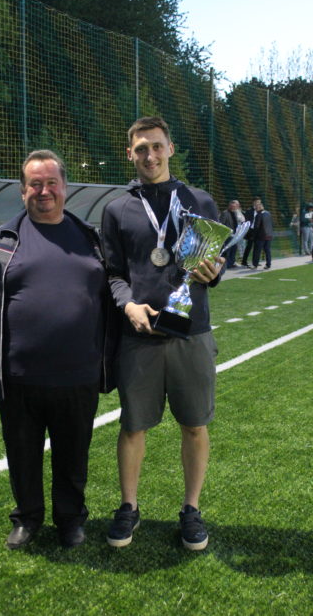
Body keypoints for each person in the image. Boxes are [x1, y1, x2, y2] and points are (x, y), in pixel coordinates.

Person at [0, 150, 116, 550]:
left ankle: (70, 520)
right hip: (17, 376)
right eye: (35, 184)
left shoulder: (91, 239)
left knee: (73, 456)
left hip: (79, 373)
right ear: (23, 190)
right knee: (22, 453)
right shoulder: (3, 240)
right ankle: (27, 518)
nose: (44, 191)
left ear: (65, 188)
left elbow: (115, 291)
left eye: (51, 183)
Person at [101, 116, 225, 551]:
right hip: (139, 336)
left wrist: (214, 273)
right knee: (133, 426)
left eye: (156, 146)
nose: (149, 155)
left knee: (194, 425)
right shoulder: (117, 209)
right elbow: (112, 273)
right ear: (129, 154)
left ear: (170, 148)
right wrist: (128, 305)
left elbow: (212, 264)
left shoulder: (200, 201)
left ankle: (191, 509)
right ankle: (129, 507)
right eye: (141, 149)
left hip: (192, 334)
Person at [251, 201, 273, 269]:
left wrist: (253, 235)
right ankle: (268, 264)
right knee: (267, 251)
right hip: (269, 235)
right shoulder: (268, 213)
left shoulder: (259, 215)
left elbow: (256, 226)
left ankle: (255, 265)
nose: (255, 209)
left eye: (256, 207)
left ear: (258, 208)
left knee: (257, 251)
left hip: (261, 236)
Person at [241, 197, 261, 267]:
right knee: (249, 246)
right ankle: (244, 261)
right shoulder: (249, 210)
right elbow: (246, 220)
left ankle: (255, 262)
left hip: (257, 231)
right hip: (251, 231)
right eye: (257, 202)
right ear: (254, 202)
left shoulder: (260, 211)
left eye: (259, 202)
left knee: (257, 247)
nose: (258, 204)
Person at [219, 200, 239, 268]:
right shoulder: (225, 213)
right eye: (233, 206)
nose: (234, 208)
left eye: (235, 206)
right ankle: (225, 264)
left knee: (234, 249)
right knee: (227, 250)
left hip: (234, 234)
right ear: (230, 206)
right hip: (228, 235)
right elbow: (221, 224)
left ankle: (231, 263)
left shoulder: (234, 213)